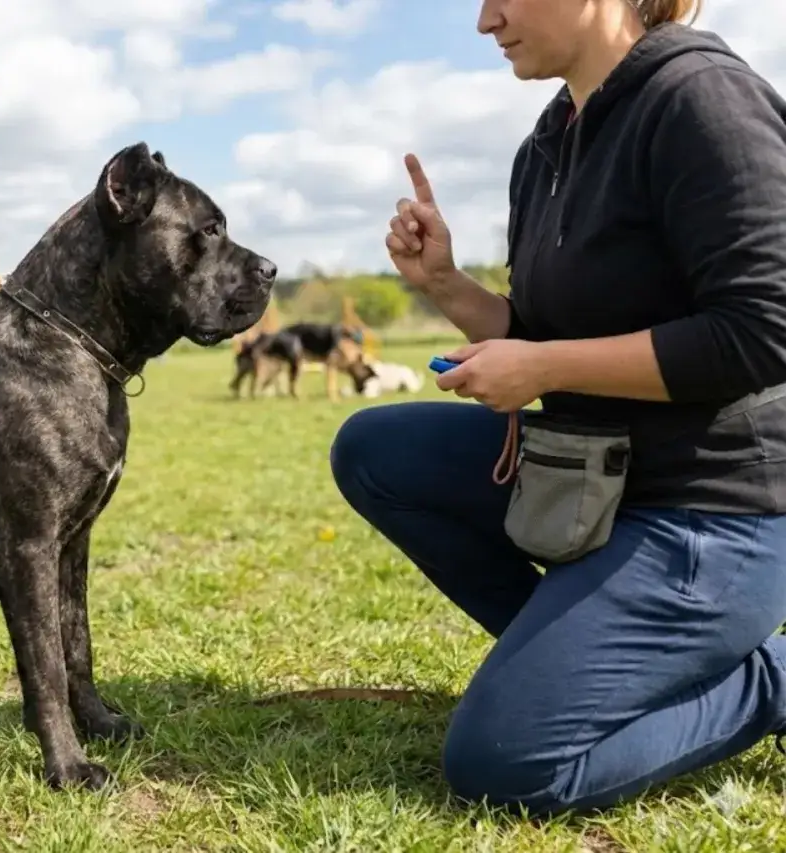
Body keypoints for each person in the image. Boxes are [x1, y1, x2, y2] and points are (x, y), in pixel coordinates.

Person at [329, 0, 786, 816]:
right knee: (374, 448)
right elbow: (546, 334)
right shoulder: (550, 138)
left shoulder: (702, 99)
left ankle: (767, 683)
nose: (484, 20)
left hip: (712, 514)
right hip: (594, 476)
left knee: (504, 765)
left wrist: (540, 363)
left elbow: (763, 329)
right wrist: (445, 284)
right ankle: (570, 661)